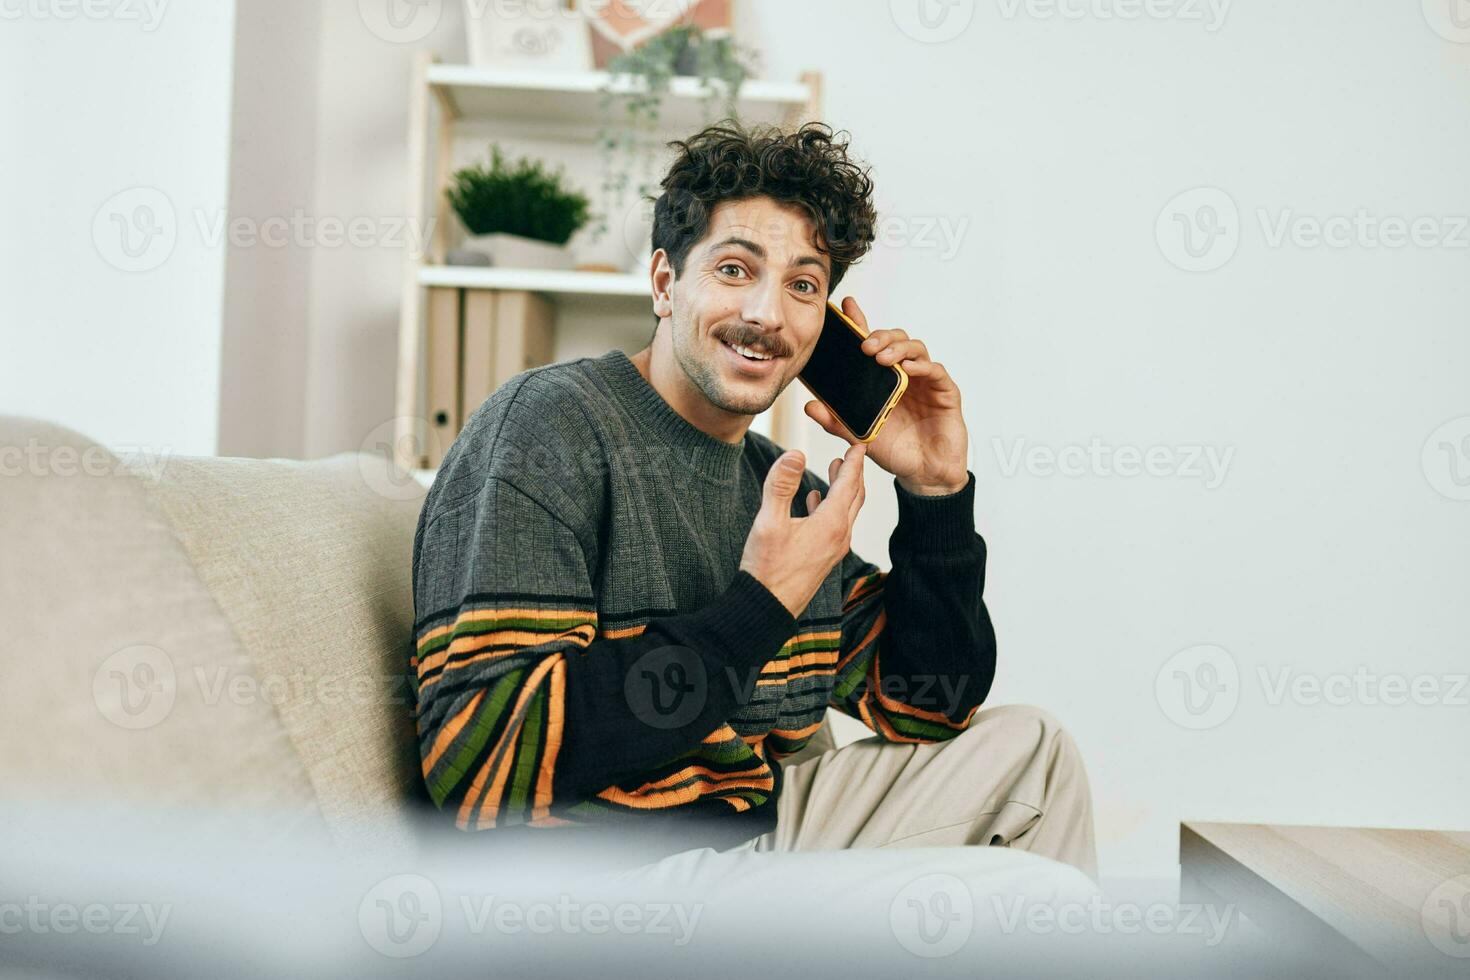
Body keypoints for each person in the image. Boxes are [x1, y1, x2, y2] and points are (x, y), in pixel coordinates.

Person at [407, 120, 1097, 882]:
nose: (769, 314)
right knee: (1024, 895)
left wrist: (935, 494)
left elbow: (928, 705)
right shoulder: (549, 427)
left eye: (803, 285)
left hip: (758, 834)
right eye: (736, 269)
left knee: (1035, 750)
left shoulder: (782, 488)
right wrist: (762, 603)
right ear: (667, 284)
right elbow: (478, 759)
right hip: (606, 870)